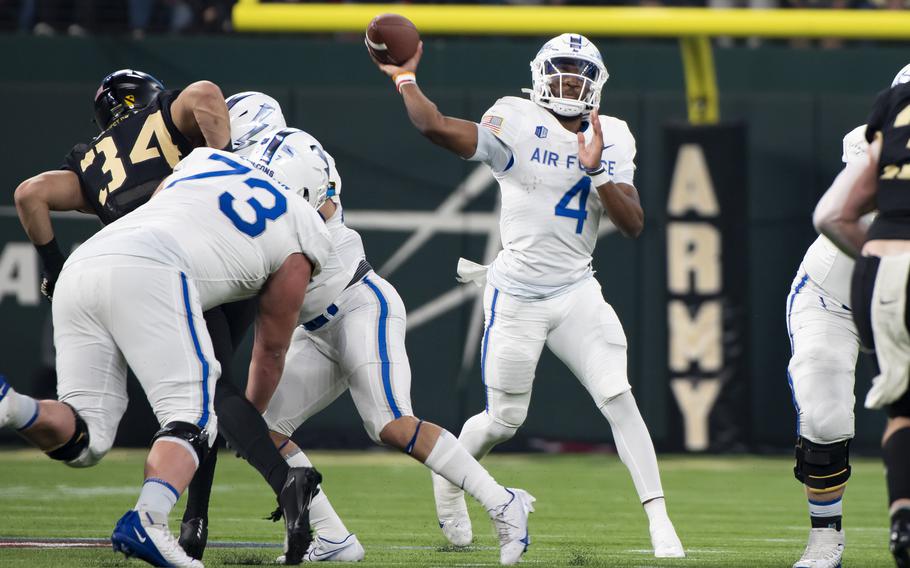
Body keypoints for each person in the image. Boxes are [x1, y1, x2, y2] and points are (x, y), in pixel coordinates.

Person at [178, 92, 535, 566]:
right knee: (264, 431)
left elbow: (270, 343)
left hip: (359, 304)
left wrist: (245, 414)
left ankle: (503, 504)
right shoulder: (275, 165)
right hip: (314, 326)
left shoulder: (289, 161)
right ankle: (334, 539)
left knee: (389, 423)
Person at [370, 33, 684, 558]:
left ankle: (660, 521)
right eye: (559, 71)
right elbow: (435, 126)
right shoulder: (514, 118)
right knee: (503, 420)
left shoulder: (615, 135)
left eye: (579, 73)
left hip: (576, 290)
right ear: (539, 76)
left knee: (618, 397)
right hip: (515, 295)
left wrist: (598, 170)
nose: (568, 82)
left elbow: (632, 223)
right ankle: (449, 479)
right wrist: (405, 78)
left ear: (597, 84)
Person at [13, 72, 320, 563]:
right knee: (204, 402)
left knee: (117, 426)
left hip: (115, 261)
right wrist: (221, 156)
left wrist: (51, 268)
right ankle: (227, 502)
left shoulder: (94, 160)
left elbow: (30, 193)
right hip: (182, 260)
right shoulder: (190, 141)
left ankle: (194, 521)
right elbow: (202, 93)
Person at [788, 64, 910, 568]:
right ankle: (824, 540)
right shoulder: (871, 142)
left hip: (898, 291)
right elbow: (841, 215)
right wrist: (884, 268)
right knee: (824, 416)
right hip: (835, 294)